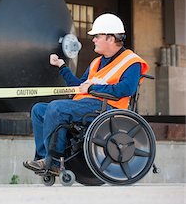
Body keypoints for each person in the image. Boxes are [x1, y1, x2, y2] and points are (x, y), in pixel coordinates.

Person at [23, 13, 149, 173]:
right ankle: (43, 158)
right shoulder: (96, 62)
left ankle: (53, 161)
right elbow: (79, 86)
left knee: (56, 108)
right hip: (85, 105)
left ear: (111, 38)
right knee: (39, 109)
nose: (93, 39)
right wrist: (62, 66)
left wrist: (92, 89)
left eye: (97, 36)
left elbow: (126, 89)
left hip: (108, 109)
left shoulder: (132, 62)